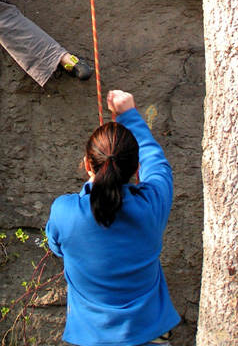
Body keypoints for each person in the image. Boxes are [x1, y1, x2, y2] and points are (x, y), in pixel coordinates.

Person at [46, 89, 180, 346]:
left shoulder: (64, 212)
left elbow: (57, 246)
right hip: (152, 338)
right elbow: (157, 163)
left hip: (91, 339)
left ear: (87, 164)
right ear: (135, 168)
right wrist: (129, 114)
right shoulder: (152, 205)